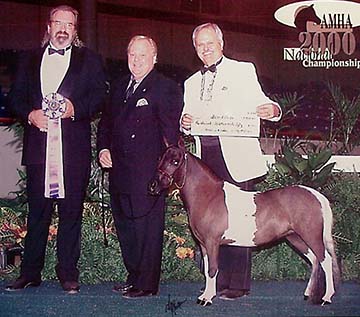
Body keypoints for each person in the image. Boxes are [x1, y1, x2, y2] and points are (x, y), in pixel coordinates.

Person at [6, 5, 107, 294]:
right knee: (38, 212)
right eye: (58, 23)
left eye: (69, 25)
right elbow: (14, 98)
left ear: (75, 31)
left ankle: (68, 273)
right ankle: (29, 273)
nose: (63, 29)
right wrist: (30, 115)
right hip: (39, 150)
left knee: (71, 212)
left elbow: (100, 97)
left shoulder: (90, 60)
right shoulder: (29, 59)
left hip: (73, 151)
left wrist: (76, 109)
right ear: (48, 26)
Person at [180, 23, 282, 300]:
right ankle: (217, 279)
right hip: (206, 161)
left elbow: (266, 103)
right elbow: (187, 120)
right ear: (195, 49)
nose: (205, 48)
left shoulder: (243, 70)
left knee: (240, 220)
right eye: (200, 45)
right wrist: (185, 122)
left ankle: (238, 283)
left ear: (221, 43)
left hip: (237, 156)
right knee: (211, 221)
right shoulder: (190, 83)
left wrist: (272, 110)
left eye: (209, 43)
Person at [97, 35, 183, 298]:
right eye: (132, 55)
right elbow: (106, 124)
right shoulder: (120, 85)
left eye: (142, 55)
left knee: (147, 230)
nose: (136, 60)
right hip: (119, 170)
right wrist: (103, 148)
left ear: (154, 58)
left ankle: (147, 284)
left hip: (148, 173)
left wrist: (165, 172)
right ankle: (133, 276)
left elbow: (170, 135)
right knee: (127, 228)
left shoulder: (165, 87)